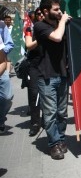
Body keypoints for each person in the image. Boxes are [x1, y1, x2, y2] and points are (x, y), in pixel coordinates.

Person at [33, 0, 71, 160]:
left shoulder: (61, 24)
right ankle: (53, 144)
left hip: (62, 74)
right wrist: (63, 20)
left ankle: (61, 138)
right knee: (50, 113)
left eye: (59, 9)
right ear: (46, 11)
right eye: (56, 10)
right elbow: (56, 37)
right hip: (46, 76)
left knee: (62, 112)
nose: (59, 12)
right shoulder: (40, 26)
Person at [24, 8, 45, 136]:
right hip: (34, 66)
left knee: (47, 95)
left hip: (48, 65)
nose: (41, 15)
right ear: (35, 16)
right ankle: (35, 123)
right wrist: (42, 38)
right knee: (34, 94)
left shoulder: (51, 28)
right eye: (38, 14)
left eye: (43, 13)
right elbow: (29, 45)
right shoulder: (30, 30)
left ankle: (46, 120)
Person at [0, 20, 14, 134]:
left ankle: (1, 118)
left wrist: (2, 53)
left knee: (7, 97)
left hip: (1, 63)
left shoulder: (1, 25)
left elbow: (9, 44)